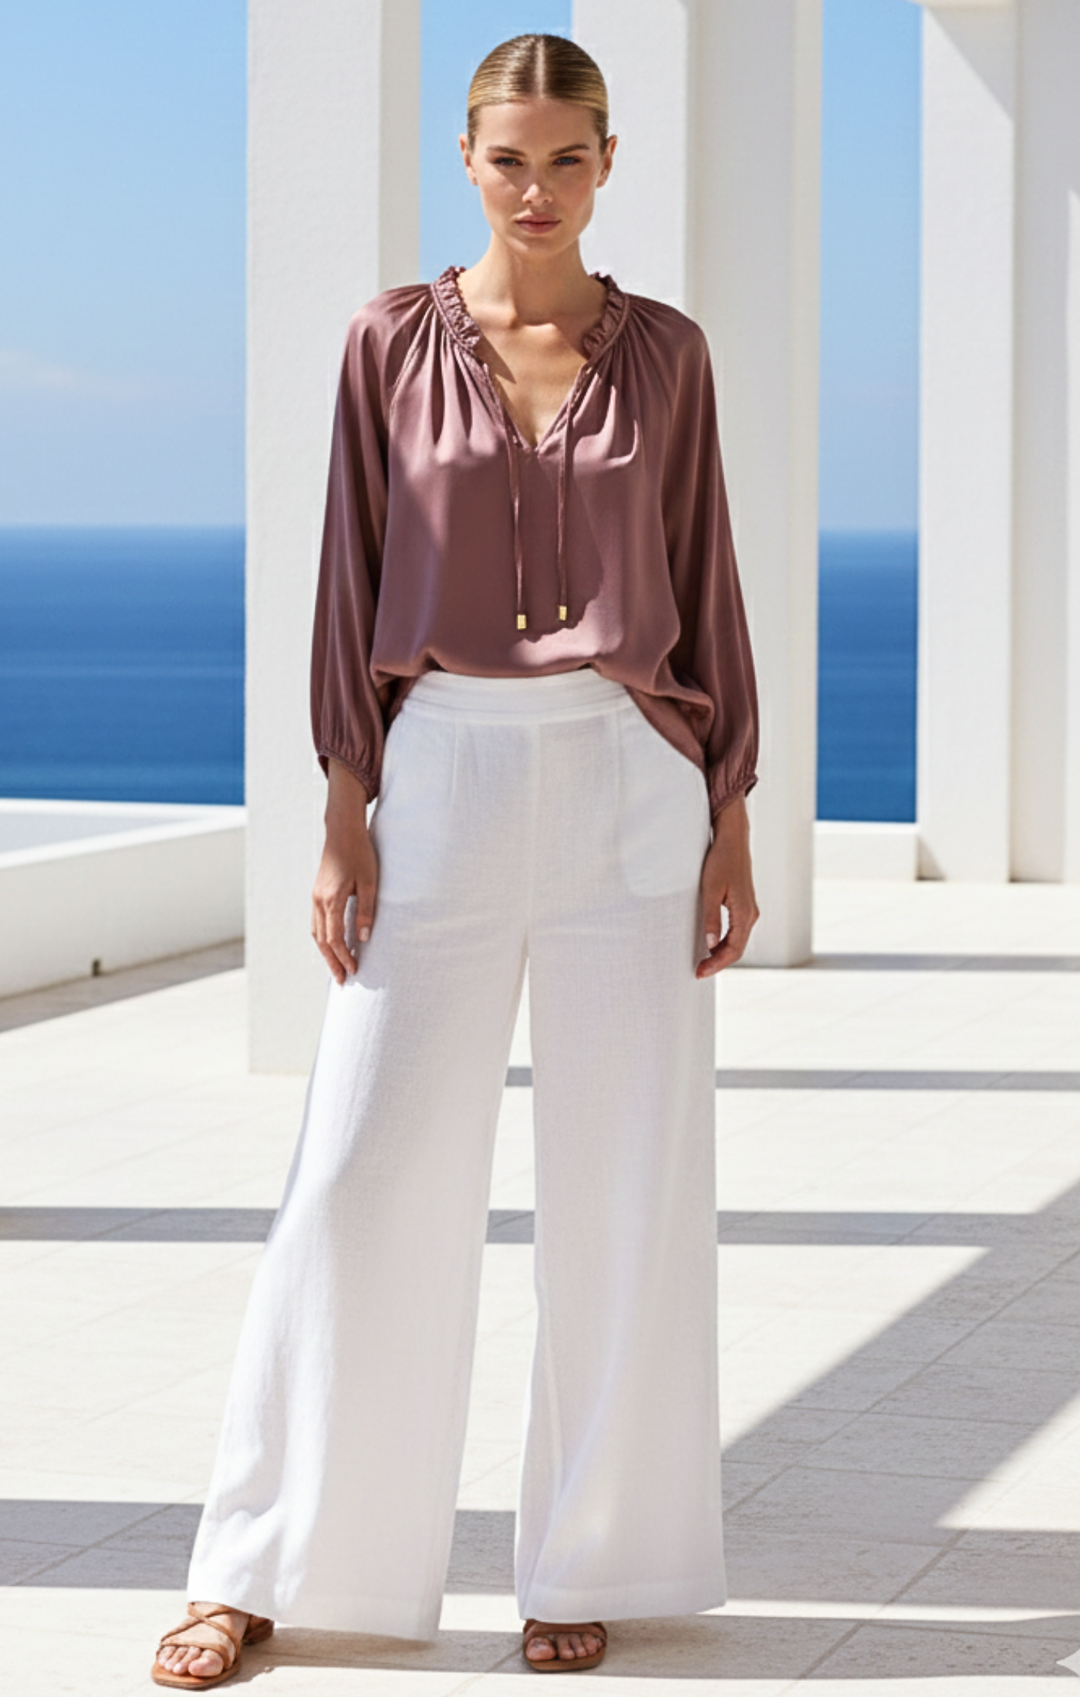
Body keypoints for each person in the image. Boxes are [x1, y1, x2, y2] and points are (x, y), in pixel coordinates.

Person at [152, 31, 759, 1688]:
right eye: (510, 158)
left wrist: (732, 813)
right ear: (466, 159)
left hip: (633, 783)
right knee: (356, 1178)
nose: (538, 189)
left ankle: (583, 1557)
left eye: (569, 159)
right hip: (441, 778)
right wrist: (347, 804)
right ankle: (261, 1565)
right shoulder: (386, 347)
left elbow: (705, 582)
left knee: (624, 1185)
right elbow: (350, 579)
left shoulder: (671, 358)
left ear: (610, 164)